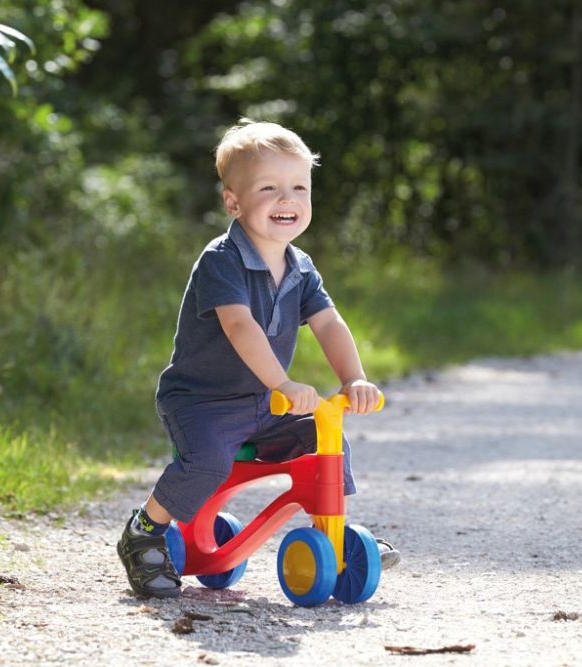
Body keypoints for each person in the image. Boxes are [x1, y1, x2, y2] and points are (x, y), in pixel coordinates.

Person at [117, 119, 400, 599]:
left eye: (299, 187)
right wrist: (282, 384)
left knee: (324, 438)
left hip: (265, 406)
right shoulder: (222, 260)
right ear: (234, 202)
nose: (287, 199)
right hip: (202, 402)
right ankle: (144, 531)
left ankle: (332, 532)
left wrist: (353, 377)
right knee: (207, 462)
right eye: (269, 188)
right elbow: (239, 326)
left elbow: (328, 323)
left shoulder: (301, 267)